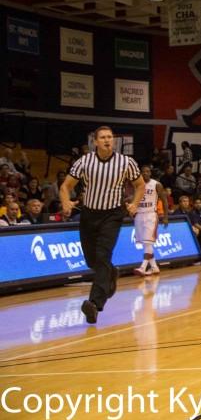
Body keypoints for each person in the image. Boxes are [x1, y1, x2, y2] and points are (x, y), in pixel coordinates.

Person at [60, 126, 145, 324]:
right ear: (95, 142)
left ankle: (94, 304)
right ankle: (111, 274)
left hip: (113, 215)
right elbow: (66, 186)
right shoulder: (85, 161)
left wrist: (134, 203)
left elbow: (140, 185)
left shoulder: (126, 162)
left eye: (110, 137)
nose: (107, 140)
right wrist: (65, 201)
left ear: (113, 141)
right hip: (89, 214)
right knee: (93, 262)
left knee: (103, 255)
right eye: (103, 137)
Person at [133, 165, 169, 277]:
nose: (145, 173)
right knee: (145, 244)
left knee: (148, 242)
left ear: (150, 173)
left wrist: (166, 216)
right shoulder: (136, 184)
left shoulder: (156, 184)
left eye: (148, 171)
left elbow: (164, 200)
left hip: (151, 215)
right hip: (138, 215)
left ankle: (143, 267)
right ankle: (154, 267)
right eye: (143, 172)